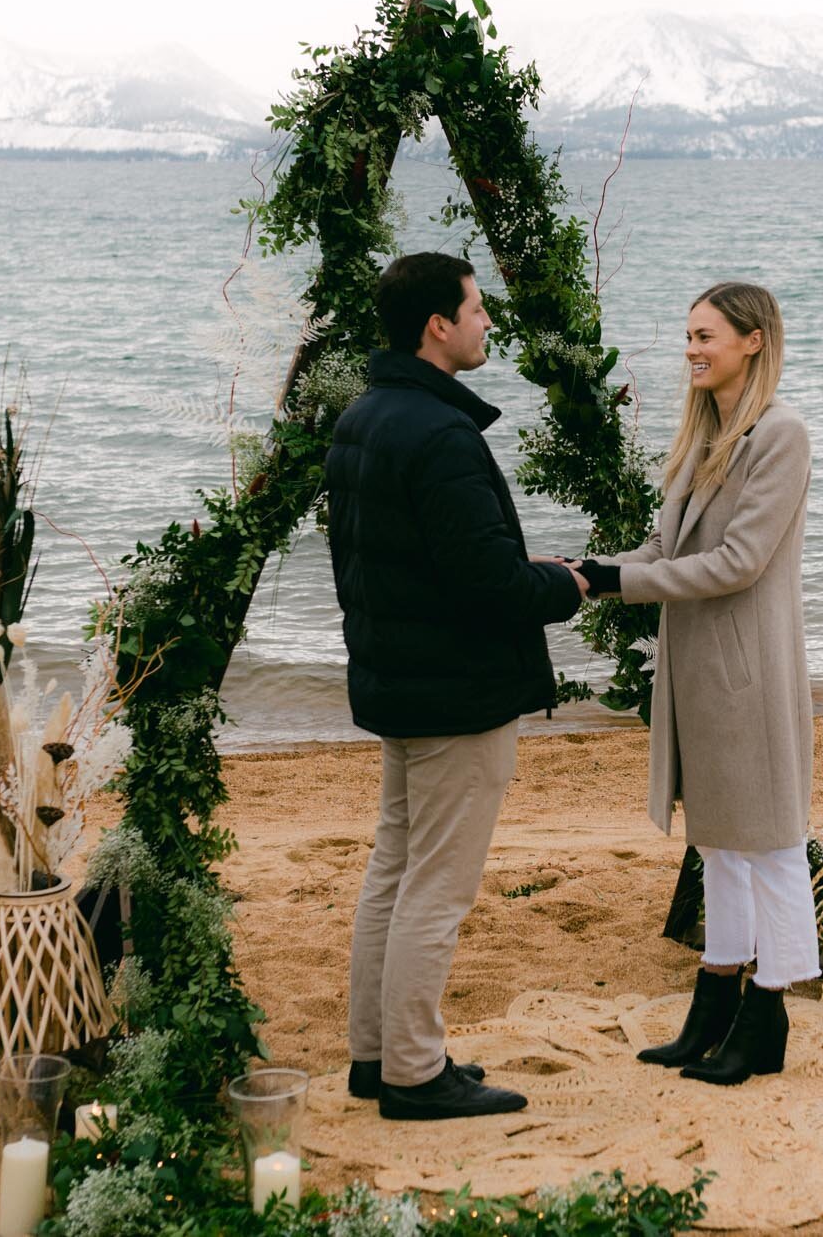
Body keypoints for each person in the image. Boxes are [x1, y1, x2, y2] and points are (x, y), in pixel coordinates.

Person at [325, 251, 588, 1121]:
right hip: (454, 694)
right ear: (438, 324)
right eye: (476, 309)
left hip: (398, 683)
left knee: (394, 870)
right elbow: (487, 587)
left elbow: (395, 564)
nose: (486, 323)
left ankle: (376, 1055)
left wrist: (513, 569)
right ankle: (410, 1071)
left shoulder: (365, 416)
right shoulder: (439, 434)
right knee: (434, 886)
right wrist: (565, 582)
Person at [572, 280, 815, 1086]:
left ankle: (768, 1009)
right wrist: (583, 572)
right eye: (686, 336)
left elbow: (736, 564)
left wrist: (615, 585)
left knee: (771, 844)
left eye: (705, 336)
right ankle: (715, 994)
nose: (691, 350)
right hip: (697, 675)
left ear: (753, 340)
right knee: (719, 843)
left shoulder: (778, 436)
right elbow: (661, 544)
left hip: (746, 675)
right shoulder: (706, 434)